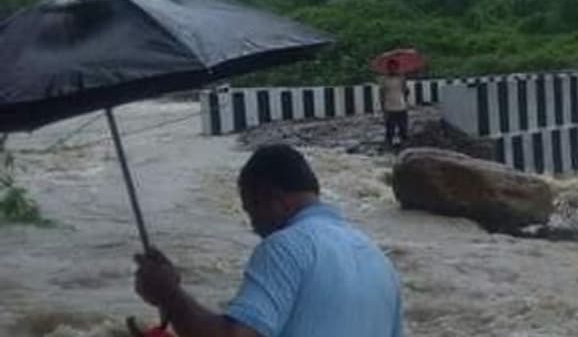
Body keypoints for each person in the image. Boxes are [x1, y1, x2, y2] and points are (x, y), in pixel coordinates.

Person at [133, 144, 403, 337]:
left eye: (252, 210)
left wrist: (169, 294)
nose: (254, 227)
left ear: (275, 198)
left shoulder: (285, 247)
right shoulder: (378, 259)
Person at [379, 59, 410, 149]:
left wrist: (406, 90)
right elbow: (382, 94)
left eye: (394, 67)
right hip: (389, 107)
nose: (392, 69)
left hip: (401, 107)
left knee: (403, 129)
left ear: (397, 68)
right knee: (390, 130)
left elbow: (406, 92)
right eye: (390, 67)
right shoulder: (384, 79)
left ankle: (404, 147)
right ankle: (389, 147)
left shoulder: (402, 78)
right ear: (388, 68)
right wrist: (383, 109)